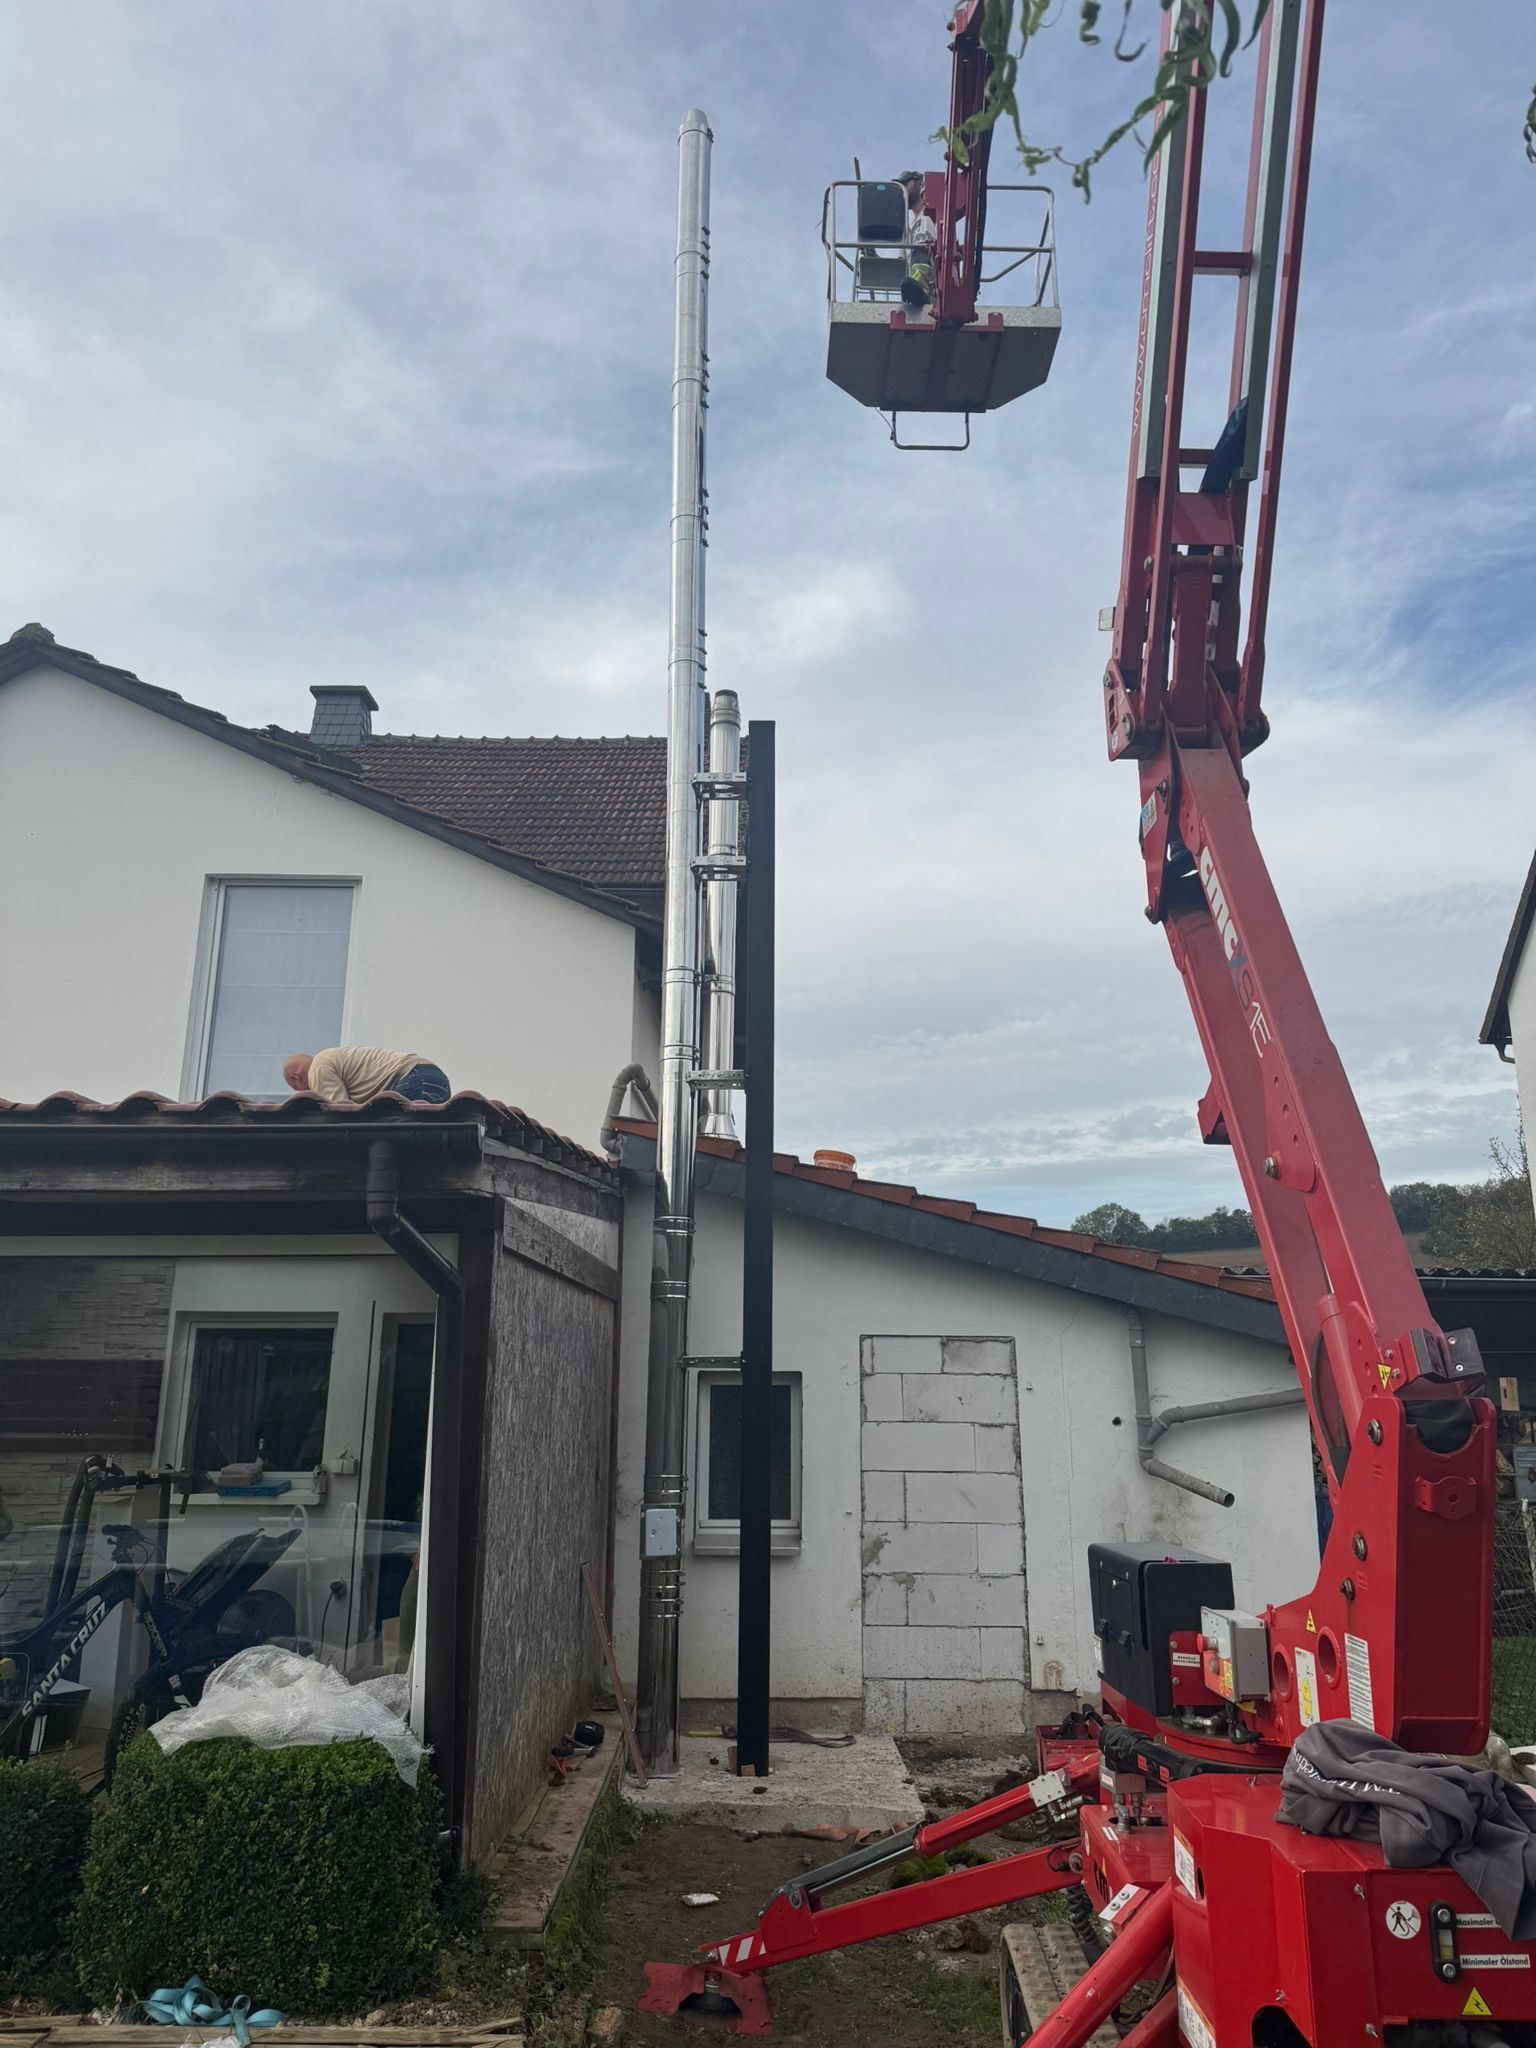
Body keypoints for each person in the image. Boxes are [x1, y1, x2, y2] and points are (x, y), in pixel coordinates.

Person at [282, 1046, 452, 1104]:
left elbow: (341, 1109)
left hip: (415, 1077)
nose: (302, 1092)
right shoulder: (329, 1057)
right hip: (434, 1078)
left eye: (297, 1089)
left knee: (393, 1133)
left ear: (295, 1078)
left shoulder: (316, 1070)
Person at [899, 170, 937, 313]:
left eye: (905, 184)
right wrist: (873, 255)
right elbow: (899, 264)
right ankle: (916, 288)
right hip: (914, 292)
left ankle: (921, 287)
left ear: (920, 184)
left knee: (921, 247)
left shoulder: (934, 213)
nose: (901, 189)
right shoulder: (908, 231)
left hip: (933, 286)